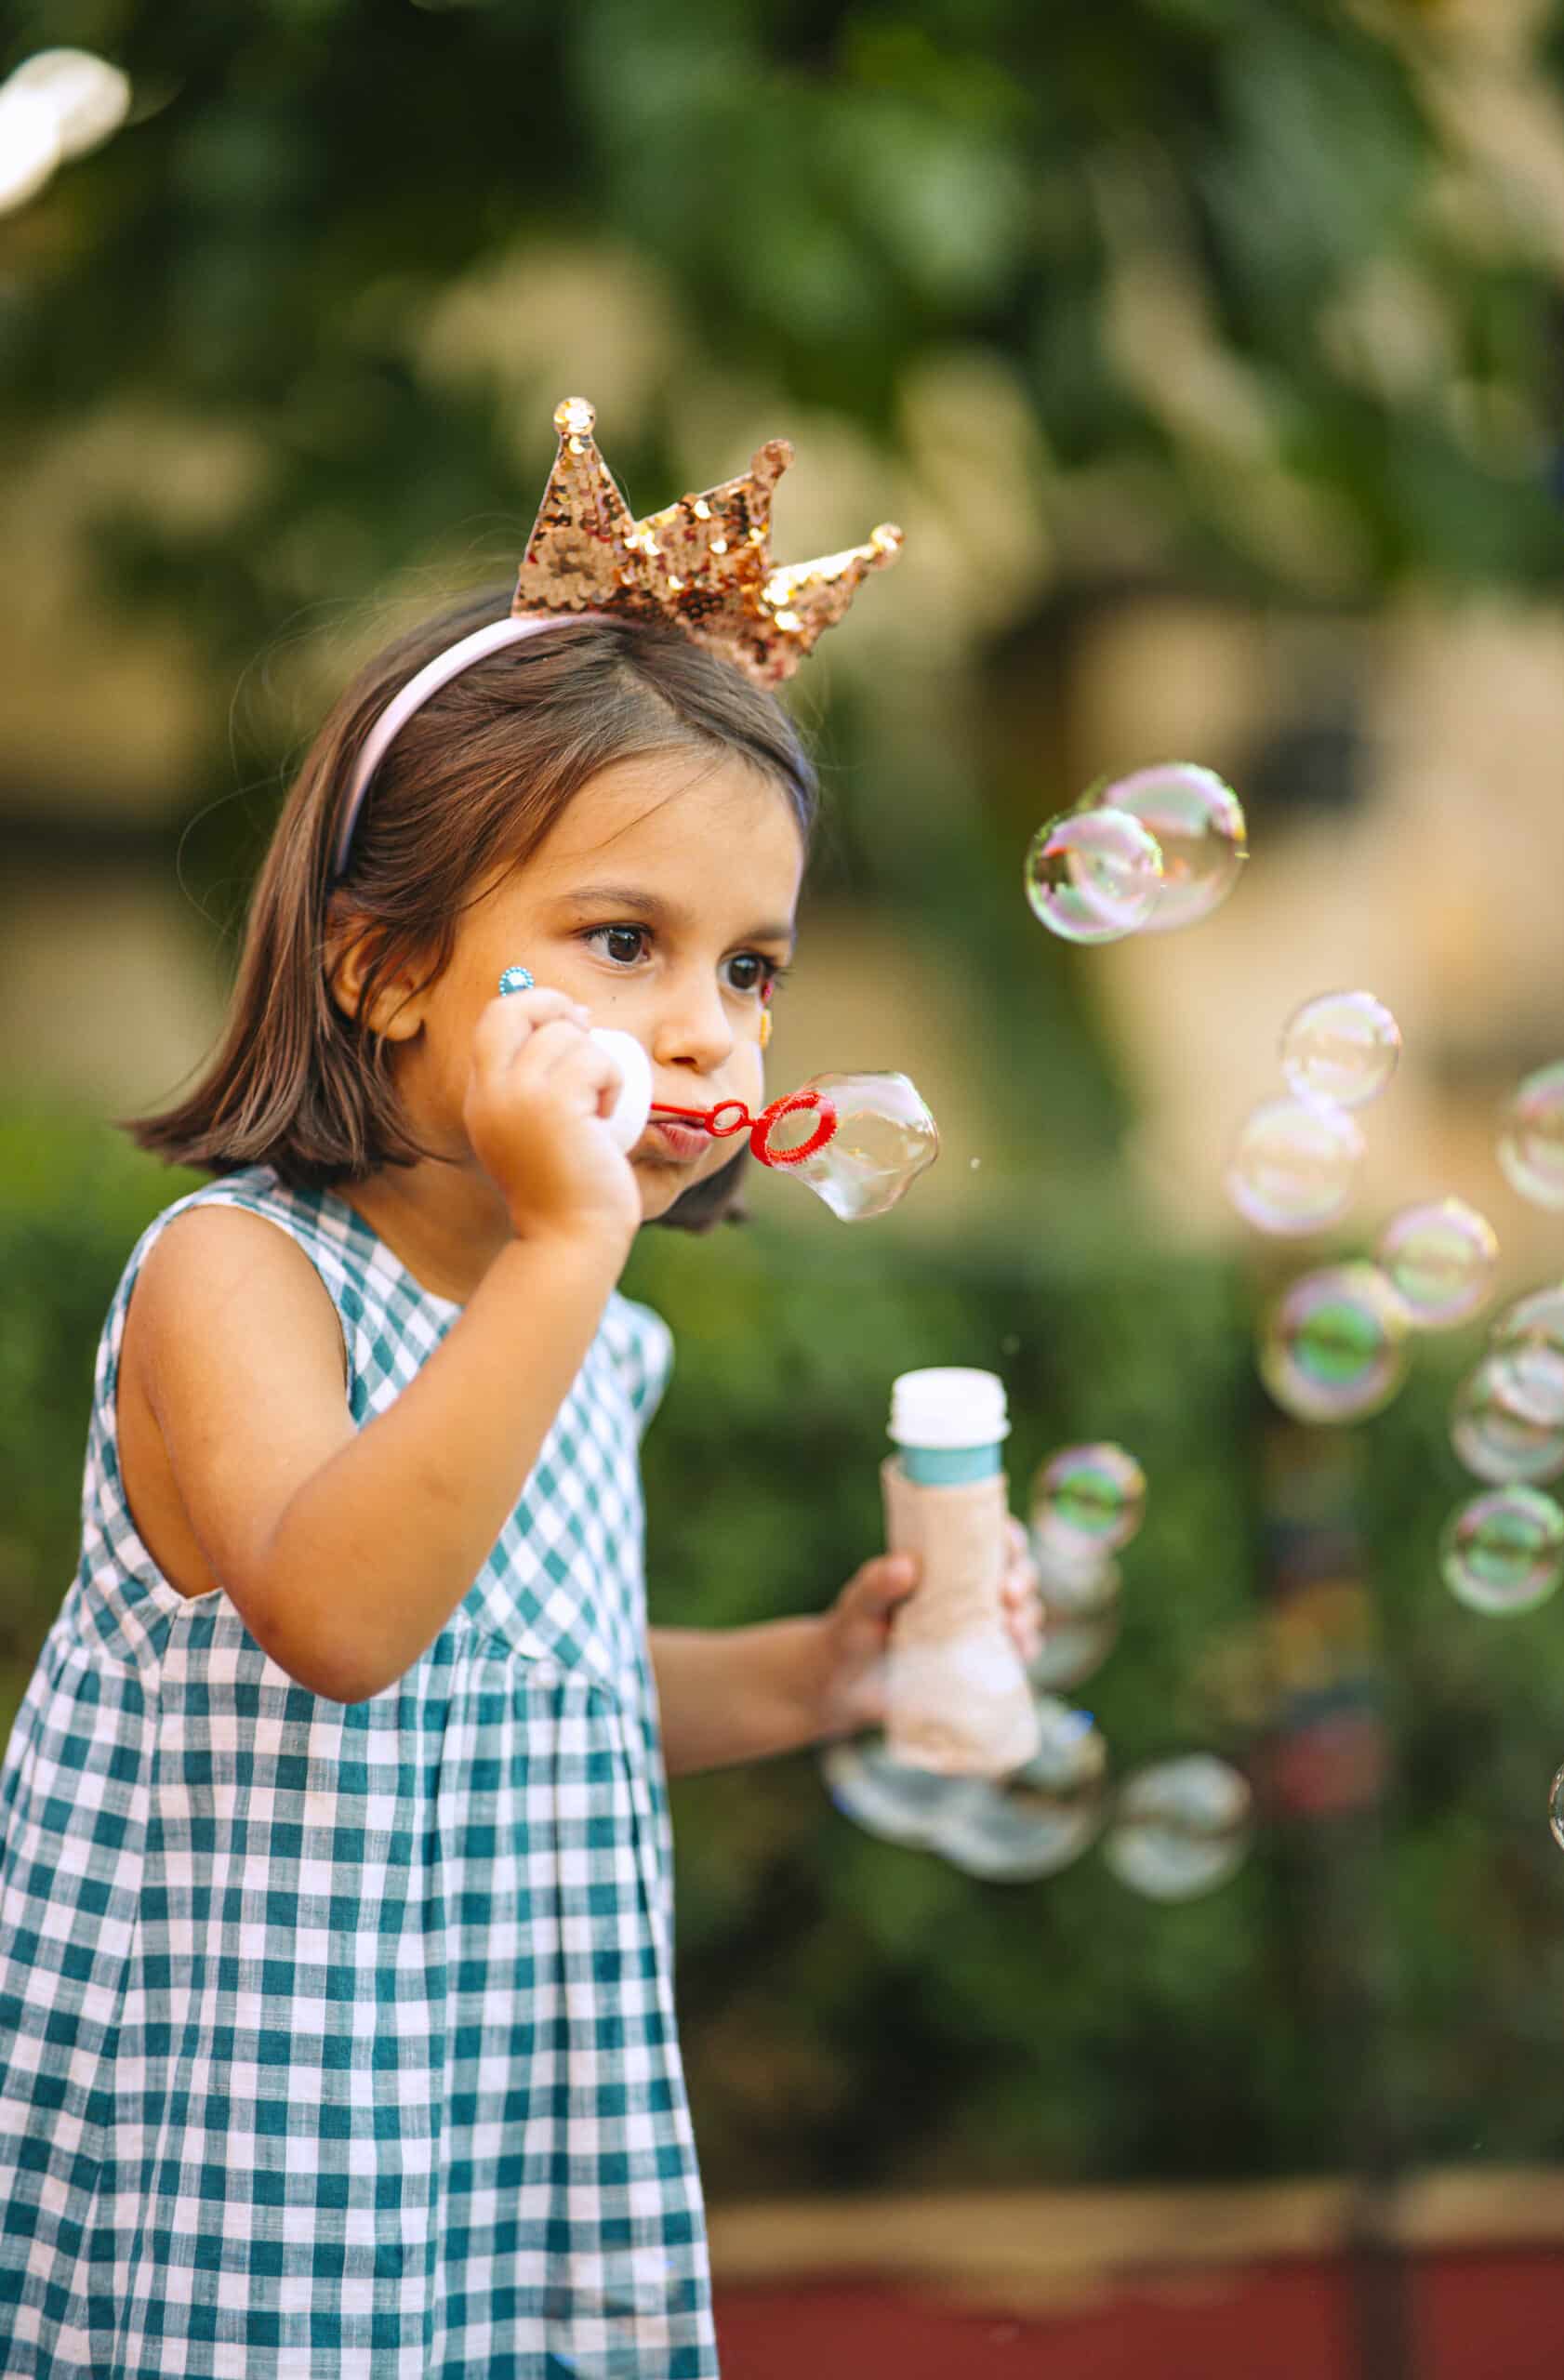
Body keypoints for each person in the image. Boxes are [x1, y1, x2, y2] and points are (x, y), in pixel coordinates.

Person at [0, 401, 1040, 2379]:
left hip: (497, 2117)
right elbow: (345, 1613)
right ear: (384, 969)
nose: (703, 1026)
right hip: (262, 2121)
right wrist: (567, 1253)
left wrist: (824, 1669)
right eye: (624, 938)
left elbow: (550, 1681)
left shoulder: (592, 1336)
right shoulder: (239, 1277)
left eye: (749, 968)